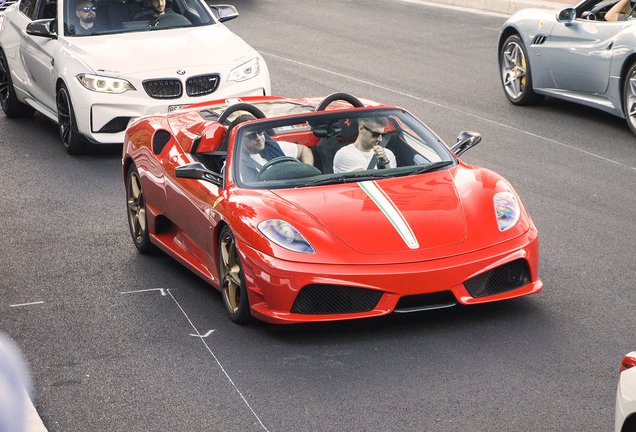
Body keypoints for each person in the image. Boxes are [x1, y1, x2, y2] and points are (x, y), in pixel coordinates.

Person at [230, 114, 314, 181]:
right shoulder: (233, 164)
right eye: (251, 136)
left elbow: (305, 150)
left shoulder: (274, 146)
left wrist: (307, 174)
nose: (258, 138)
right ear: (239, 140)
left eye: (260, 132)